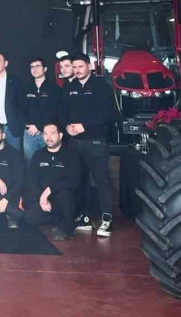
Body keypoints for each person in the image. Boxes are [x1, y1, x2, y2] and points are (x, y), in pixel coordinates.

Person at [60, 53, 116, 237]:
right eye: (74, 67)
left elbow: (108, 113)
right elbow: (62, 111)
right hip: (75, 143)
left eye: (80, 67)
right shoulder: (70, 87)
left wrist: (85, 126)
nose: (76, 71)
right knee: (79, 180)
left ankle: (106, 219)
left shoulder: (102, 87)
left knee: (101, 180)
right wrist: (67, 126)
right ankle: (83, 216)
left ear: (89, 66)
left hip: (96, 142)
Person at [25, 123, 83, 241]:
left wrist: (50, 189)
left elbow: (74, 181)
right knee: (29, 218)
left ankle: (67, 227)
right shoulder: (38, 155)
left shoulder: (71, 155)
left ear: (60, 135)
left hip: (65, 198)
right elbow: (32, 180)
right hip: (45, 200)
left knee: (65, 195)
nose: (48, 137)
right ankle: (61, 219)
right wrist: (41, 200)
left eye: (52, 133)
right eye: (45, 134)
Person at [19, 57, 60, 163]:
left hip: (48, 133)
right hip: (29, 133)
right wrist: (28, 125)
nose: (34, 69)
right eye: (32, 67)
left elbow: (54, 111)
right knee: (30, 163)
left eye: (38, 66)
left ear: (45, 69)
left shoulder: (54, 88)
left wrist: (38, 126)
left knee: (49, 163)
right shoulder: (26, 88)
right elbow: (20, 109)